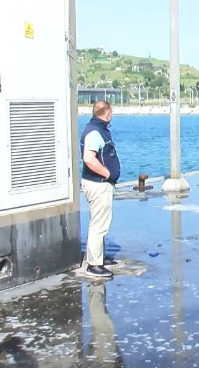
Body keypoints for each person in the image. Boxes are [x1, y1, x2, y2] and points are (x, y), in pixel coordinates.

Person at [81, 100, 121, 279]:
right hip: (98, 185)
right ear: (107, 113)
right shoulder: (94, 132)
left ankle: (99, 257)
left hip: (100, 184)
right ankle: (94, 265)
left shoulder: (98, 129)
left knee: (100, 222)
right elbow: (88, 158)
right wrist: (107, 174)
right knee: (98, 225)